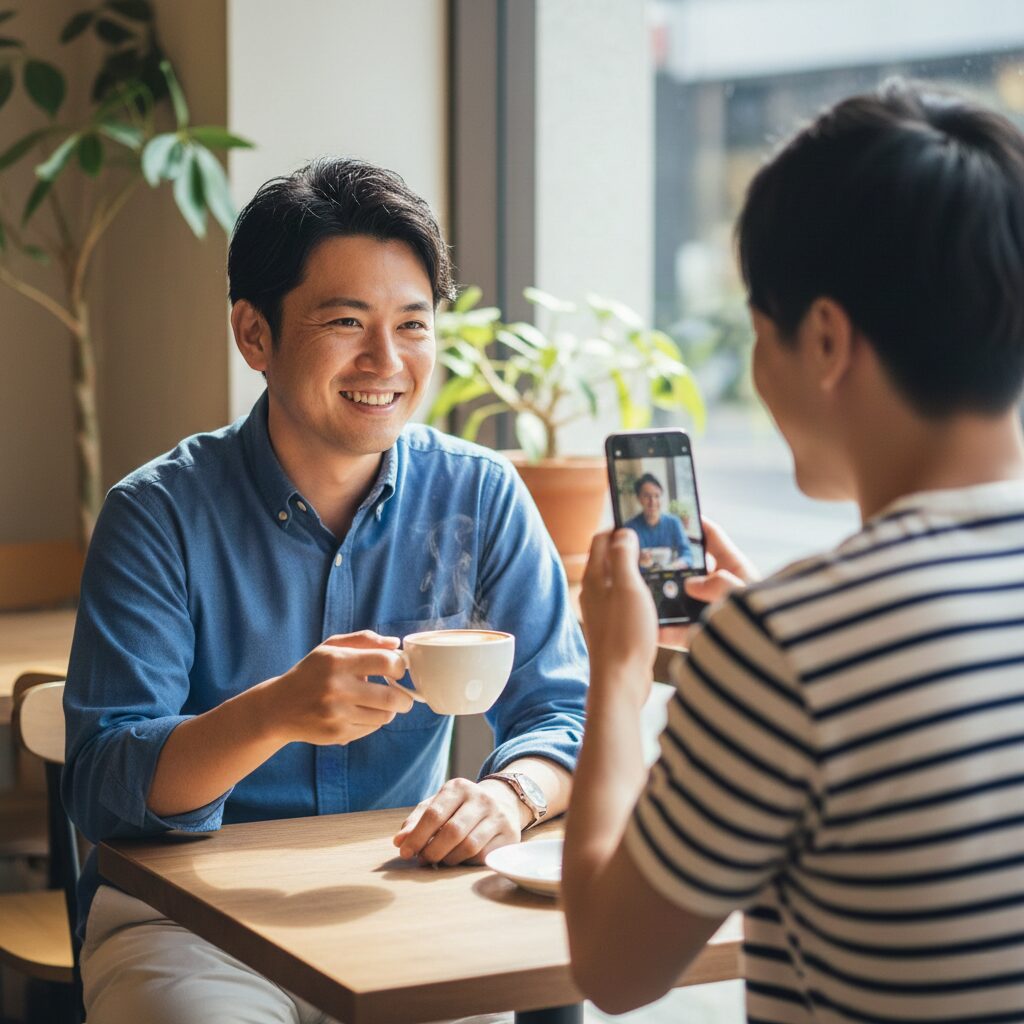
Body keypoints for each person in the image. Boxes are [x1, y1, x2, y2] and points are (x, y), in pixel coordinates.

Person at [62, 157, 588, 1024]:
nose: (387, 360)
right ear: (254, 334)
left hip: (404, 902)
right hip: (183, 922)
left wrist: (508, 794)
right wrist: (271, 712)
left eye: (412, 324)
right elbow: (104, 783)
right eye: (346, 321)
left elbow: (563, 714)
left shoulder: (480, 494)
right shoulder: (156, 514)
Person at [563, 79, 1024, 1023]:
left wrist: (617, 669)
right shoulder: (795, 646)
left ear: (823, 338)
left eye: (757, 331)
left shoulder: (789, 650)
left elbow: (613, 970)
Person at [623, 473, 694, 567]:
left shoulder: (674, 522)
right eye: (647, 496)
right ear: (638, 498)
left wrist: (678, 564)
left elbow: (687, 554)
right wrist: (637, 560)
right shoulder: (629, 528)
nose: (652, 502)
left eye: (657, 496)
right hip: (641, 578)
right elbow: (623, 561)